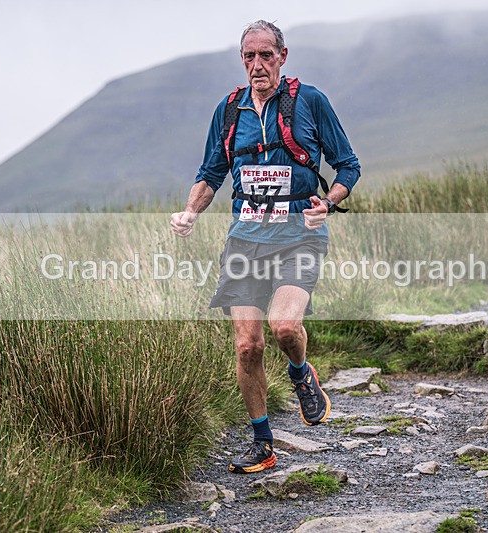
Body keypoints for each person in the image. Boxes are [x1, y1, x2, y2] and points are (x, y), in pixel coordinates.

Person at [170, 20, 360, 473]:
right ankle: (263, 444)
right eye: (249, 57)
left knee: (284, 328)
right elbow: (211, 172)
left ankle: (300, 373)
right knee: (246, 346)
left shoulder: (310, 102)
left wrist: (328, 203)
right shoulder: (229, 110)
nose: (257, 65)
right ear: (242, 60)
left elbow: (348, 167)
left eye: (266, 56)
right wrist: (190, 211)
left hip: (300, 236)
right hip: (245, 240)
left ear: (283, 56)